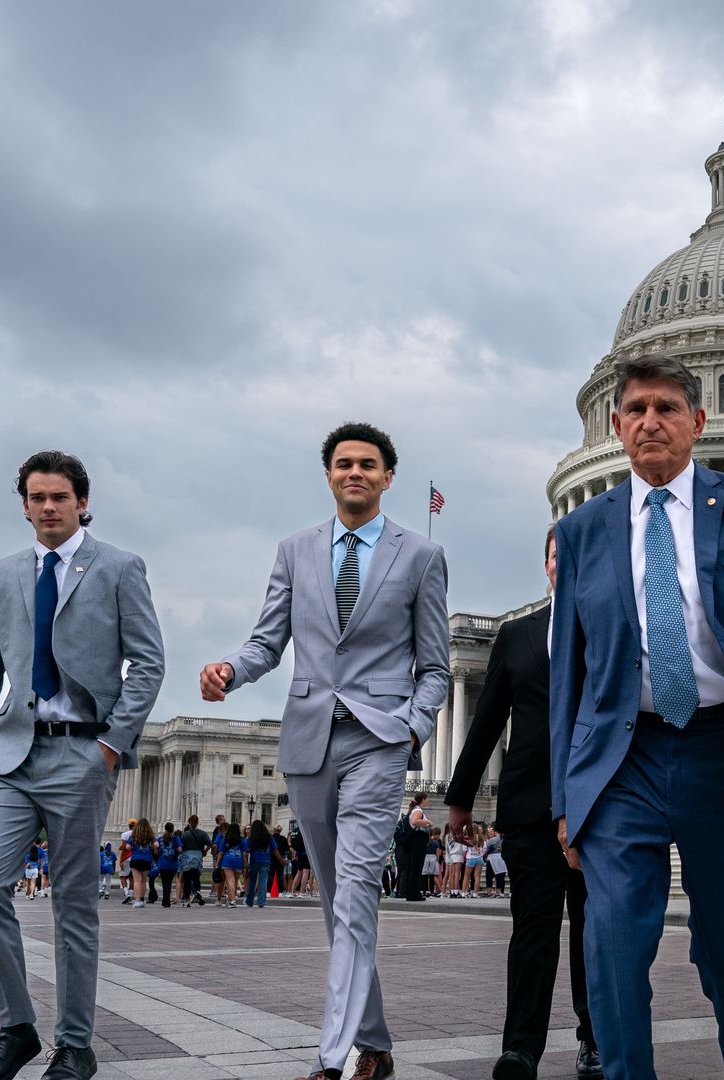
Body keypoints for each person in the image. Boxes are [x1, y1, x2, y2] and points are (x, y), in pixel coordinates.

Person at [549, 355, 724, 1080]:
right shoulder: (584, 529)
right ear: (615, 427)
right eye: (637, 409)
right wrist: (564, 799)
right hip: (624, 756)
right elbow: (570, 676)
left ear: (698, 423)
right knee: (611, 939)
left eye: (667, 408)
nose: (651, 421)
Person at [199, 422, 448, 1080]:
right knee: (337, 894)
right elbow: (266, 641)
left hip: (378, 738)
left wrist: (413, 728)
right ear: (329, 474)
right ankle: (376, 1041)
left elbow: (436, 666)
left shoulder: (419, 556)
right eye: (344, 463)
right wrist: (232, 668)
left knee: (359, 888)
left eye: (368, 463)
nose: (355, 472)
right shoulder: (293, 551)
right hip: (309, 737)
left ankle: (337, 1052)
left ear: (387, 476)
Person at [0, 449, 163, 1080]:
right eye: (37, 498)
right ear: (24, 506)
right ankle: (17, 1028)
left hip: (82, 750)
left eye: (59, 498)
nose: (48, 507)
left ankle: (75, 1045)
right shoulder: (0, 574)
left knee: (73, 904)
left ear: (82, 502)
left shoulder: (120, 568)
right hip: (12, 753)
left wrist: (112, 744)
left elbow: (148, 662)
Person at [446, 525, 602, 1080]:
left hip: (600, 803)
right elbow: (487, 720)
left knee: (594, 932)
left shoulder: (614, 626)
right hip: (531, 804)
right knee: (533, 930)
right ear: (546, 566)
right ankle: (521, 1047)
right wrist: (460, 799)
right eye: (558, 555)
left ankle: (595, 1037)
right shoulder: (517, 635)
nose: (566, 563)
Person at [397, 796, 431, 902]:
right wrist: (428, 822)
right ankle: (414, 893)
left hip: (413, 841)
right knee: (416, 867)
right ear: (423, 800)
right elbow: (415, 821)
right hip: (417, 840)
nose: (428, 801)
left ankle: (412, 892)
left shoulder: (415, 809)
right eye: (426, 799)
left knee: (413, 867)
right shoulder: (418, 810)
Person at [179, 816, 212, 907]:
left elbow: (181, 847)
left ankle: (187, 900)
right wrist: (205, 851)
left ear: (189, 822)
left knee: (187, 879)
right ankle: (197, 891)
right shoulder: (203, 834)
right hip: (198, 857)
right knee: (196, 877)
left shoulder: (185, 834)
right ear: (197, 822)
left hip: (187, 858)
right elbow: (210, 844)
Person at [244, 820, 274, 909]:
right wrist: (281, 859)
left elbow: (246, 849)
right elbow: (275, 849)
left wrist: (246, 864)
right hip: (265, 860)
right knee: (262, 881)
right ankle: (261, 901)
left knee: (252, 881)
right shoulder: (268, 837)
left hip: (254, 860)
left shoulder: (251, 837)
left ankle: (249, 901)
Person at [217, 823, 247, 908]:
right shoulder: (242, 840)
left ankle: (232, 901)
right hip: (238, 861)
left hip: (227, 861)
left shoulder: (225, 840)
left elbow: (221, 852)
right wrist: (245, 865)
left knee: (230, 881)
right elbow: (244, 854)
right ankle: (230, 899)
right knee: (235, 881)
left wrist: (218, 864)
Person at [154, 824, 180, 909]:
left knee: (165, 883)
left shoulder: (160, 839)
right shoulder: (176, 838)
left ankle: (166, 901)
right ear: (173, 829)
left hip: (162, 864)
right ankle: (166, 901)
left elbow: (156, 851)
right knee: (169, 882)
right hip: (173, 864)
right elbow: (180, 849)